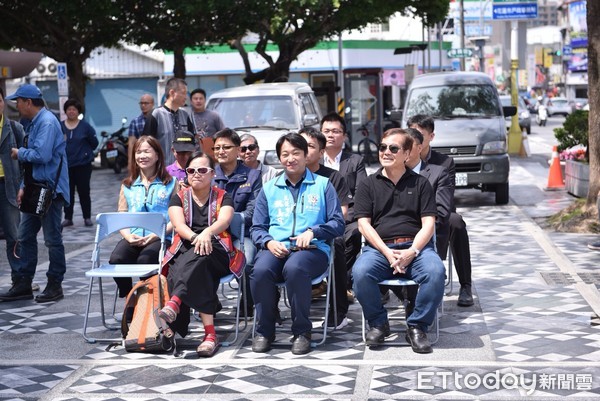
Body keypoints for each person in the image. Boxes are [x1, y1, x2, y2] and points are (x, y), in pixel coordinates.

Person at [250, 133, 345, 355]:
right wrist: (268, 241)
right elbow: (257, 227)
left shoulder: (323, 185)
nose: (290, 158)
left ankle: (302, 331)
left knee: (295, 268)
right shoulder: (269, 188)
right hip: (276, 248)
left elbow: (338, 223)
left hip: (313, 250)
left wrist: (314, 232)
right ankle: (265, 330)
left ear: (306, 155)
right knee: (259, 270)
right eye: (285, 154)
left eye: (296, 153)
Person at [352, 128, 445, 354]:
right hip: (380, 249)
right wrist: (386, 252)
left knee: (435, 272)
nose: (386, 152)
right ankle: (378, 323)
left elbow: (429, 224)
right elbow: (363, 224)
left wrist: (412, 251)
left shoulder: (421, 184)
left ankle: (417, 326)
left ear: (406, 154)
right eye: (382, 147)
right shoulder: (368, 184)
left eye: (393, 148)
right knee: (360, 273)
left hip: (416, 249)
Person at [159, 152, 237, 357]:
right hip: (188, 247)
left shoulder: (223, 196)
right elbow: (178, 225)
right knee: (197, 267)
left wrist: (207, 233)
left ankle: (174, 303)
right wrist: (197, 238)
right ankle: (210, 335)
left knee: (199, 258)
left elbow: (225, 221)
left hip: (218, 248)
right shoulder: (179, 197)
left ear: (212, 174)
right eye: (191, 170)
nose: (196, 174)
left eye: (202, 170)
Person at [0, 84, 70, 303]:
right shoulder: (33, 123)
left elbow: (42, 154)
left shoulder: (47, 122)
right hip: (34, 188)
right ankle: (23, 283)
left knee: (52, 239)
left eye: (18, 101)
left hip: (50, 190)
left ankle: (54, 284)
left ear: (28, 102)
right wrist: (22, 185)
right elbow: (31, 166)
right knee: (24, 235)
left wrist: (18, 152)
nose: (16, 106)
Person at [407, 114, 474, 307]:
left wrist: (427, 220)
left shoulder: (444, 163)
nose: (414, 138)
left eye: (419, 134)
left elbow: (444, 201)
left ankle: (465, 285)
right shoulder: (398, 160)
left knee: (456, 222)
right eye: (410, 133)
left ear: (431, 137)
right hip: (408, 215)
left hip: (437, 213)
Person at [108, 136, 177, 298]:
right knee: (117, 259)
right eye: (138, 152)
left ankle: (148, 301)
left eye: (147, 151)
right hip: (133, 237)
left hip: (160, 238)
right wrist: (127, 236)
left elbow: (176, 218)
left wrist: (157, 235)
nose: (142, 156)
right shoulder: (128, 185)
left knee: (145, 262)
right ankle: (129, 298)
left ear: (157, 155)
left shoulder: (171, 183)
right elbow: (122, 214)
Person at [299, 127, 352, 330]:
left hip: (323, 233)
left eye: (310, 146)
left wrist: (316, 231)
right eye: (300, 145)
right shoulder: (283, 176)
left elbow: (342, 212)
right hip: (290, 234)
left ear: (321, 152)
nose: (303, 150)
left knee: (337, 243)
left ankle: (338, 311)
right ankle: (270, 313)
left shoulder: (332, 177)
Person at [212, 128, 262, 316]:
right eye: (217, 148)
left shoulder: (252, 176)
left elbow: (253, 211)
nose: (221, 152)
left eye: (226, 147)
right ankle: (210, 302)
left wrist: (225, 219)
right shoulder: (208, 174)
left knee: (248, 260)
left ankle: (247, 303)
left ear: (237, 149)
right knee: (197, 259)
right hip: (213, 235)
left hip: (242, 234)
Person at [321, 112, 365, 301]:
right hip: (319, 218)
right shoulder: (312, 160)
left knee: (353, 233)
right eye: (326, 131)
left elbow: (361, 194)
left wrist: (345, 217)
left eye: (335, 131)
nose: (330, 135)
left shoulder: (355, 161)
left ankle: (342, 283)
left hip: (348, 218)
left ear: (345, 136)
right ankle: (319, 283)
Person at [0, 87, 27, 290]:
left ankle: (19, 279)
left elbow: (26, 161)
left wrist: (23, 186)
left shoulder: (14, 128)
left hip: (9, 187)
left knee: (14, 235)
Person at [60, 98, 99, 228]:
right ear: (65, 111)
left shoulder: (85, 126)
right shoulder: (60, 126)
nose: (71, 112)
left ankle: (87, 217)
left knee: (84, 192)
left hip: (83, 166)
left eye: (74, 109)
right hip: (65, 166)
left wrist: (86, 153)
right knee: (67, 193)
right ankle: (68, 217)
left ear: (78, 112)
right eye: (69, 109)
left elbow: (94, 143)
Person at [143, 78, 193, 165]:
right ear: (172, 93)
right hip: (163, 170)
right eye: (183, 93)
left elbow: (192, 143)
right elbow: (146, 144)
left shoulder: (185, 115)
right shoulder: (156, 114)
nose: (186, 97)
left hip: (184, 170)